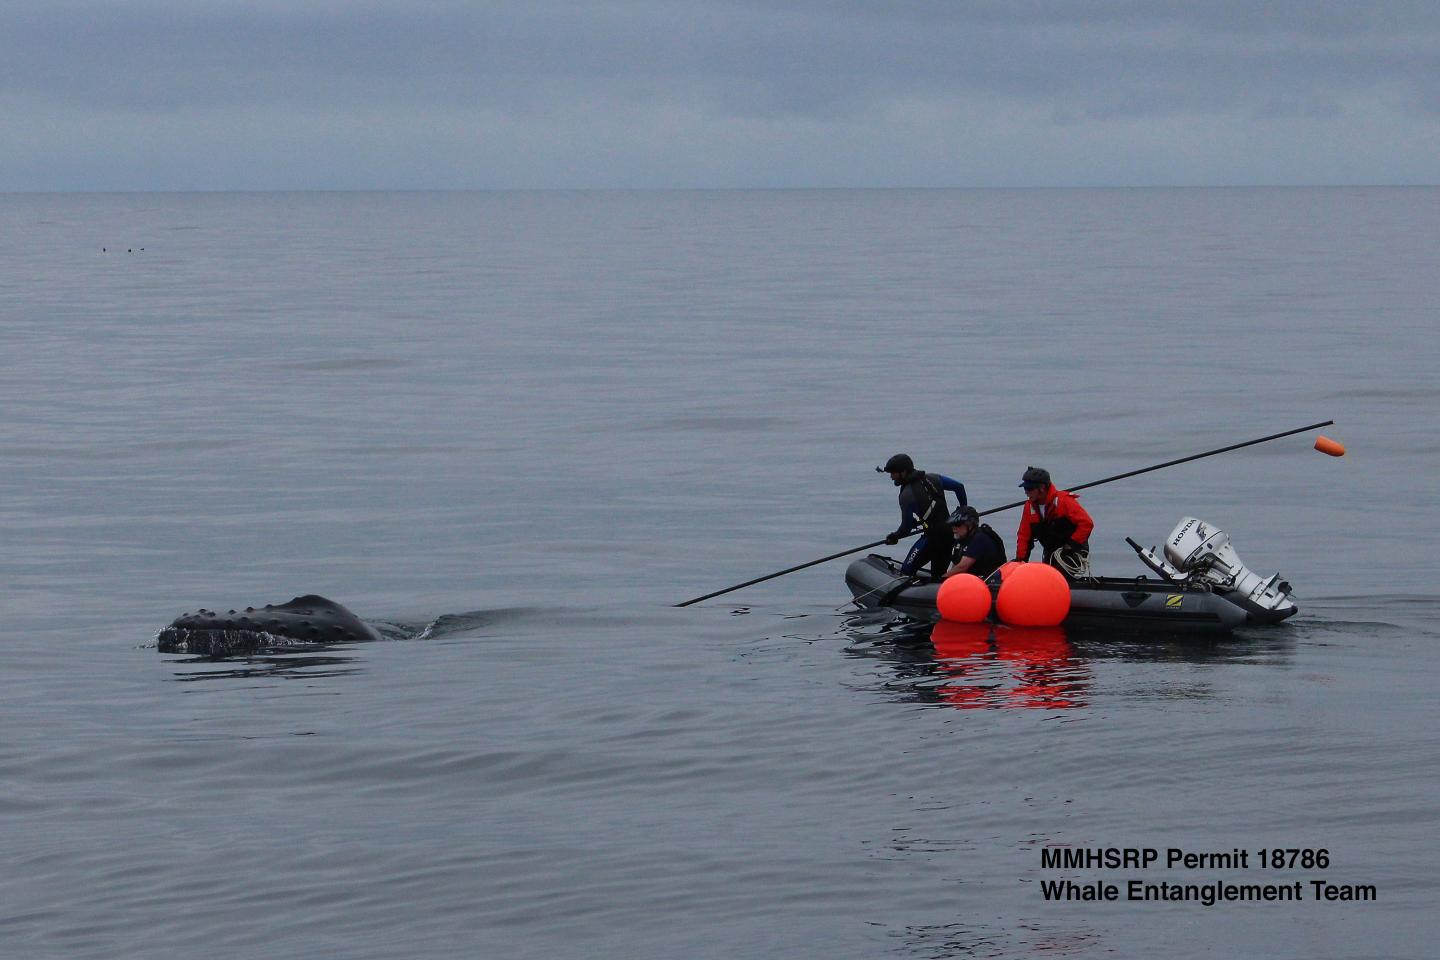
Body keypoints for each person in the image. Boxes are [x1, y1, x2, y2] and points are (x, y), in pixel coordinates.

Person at [877, 454, 967, 581]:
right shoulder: (934, 478)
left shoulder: (906, 495)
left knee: (906, 572)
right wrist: (963, 509)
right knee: (938, 577)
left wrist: (894, 536)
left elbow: (906, 528)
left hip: (932, 538)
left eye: (893, 473)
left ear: (903, 472)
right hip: (949, 535)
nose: (891, 477)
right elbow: (959, 487)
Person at [1014, 466, 1094, 573]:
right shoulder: (1029, 507)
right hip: (1050, 552)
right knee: (1045, 575)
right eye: (1025, 489)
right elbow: (1024, 536)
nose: (1026, 492)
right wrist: (1021, 560)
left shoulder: (1064, 501)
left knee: (1057, 574)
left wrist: (1071, 545)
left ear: (1042, 488)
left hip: (1073, 551)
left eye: (1029, 489)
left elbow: (1086, 524)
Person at [943, 505, 1007, 580]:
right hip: (971, 580)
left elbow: (962, 567)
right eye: (952, 525)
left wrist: (942, 579)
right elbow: (955, 565)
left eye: (957, 524)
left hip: (987, 581)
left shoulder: (979, 539)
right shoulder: (961, 540)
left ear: (970, 525)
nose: (954, 528)